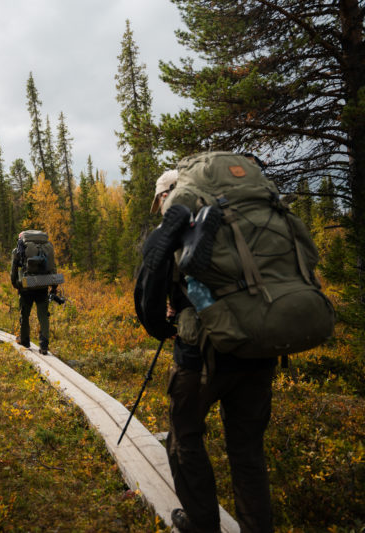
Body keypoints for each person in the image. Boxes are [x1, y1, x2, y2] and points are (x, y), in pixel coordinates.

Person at [142, 169, 276, 533]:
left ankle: (201, 523)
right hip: (259, 350)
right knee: (247, 450)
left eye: (160, 201)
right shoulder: (247, 220)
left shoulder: (174, 230)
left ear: (168, 195)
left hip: (201, 359)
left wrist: (168, 327)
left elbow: (148, 303)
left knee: (184, 437)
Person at [10, 231, 58, 355]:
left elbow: (13, 272)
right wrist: (53, 286)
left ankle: (25, 341)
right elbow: (53, 268)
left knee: (25, 314)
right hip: (43, 286)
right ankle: (44, 345)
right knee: (43, 316)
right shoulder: (47, 248)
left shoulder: (18, 250)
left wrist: (16, 285)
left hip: (26, 288)